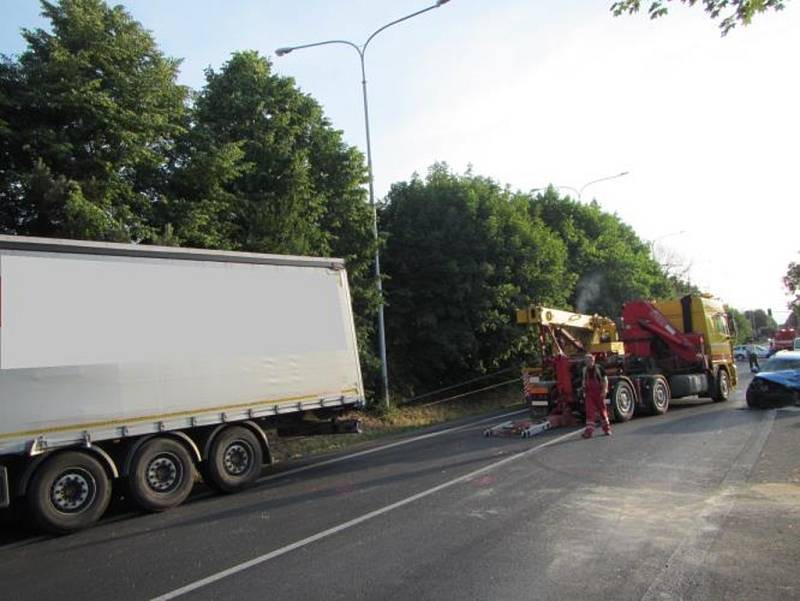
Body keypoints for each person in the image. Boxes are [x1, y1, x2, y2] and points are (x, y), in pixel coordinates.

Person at [581, 354, 610, 438]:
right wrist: (583, 390)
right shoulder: (584, 370)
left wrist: (605, 390)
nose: (588, 363)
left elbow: (605, 379)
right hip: (589, 393)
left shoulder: (599, 368)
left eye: (589, 361)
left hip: (598, 392)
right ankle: (589, 432)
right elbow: (584, 380)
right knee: (589, 412)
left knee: (602, 411)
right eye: (586, 361)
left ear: (593, 361)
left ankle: (607, 429)